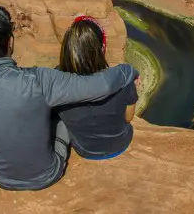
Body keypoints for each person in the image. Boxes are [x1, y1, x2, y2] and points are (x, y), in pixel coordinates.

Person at [0, 6, 139, 194]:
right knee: (56, 119)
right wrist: (128, 71)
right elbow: (100, 85)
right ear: (11, 42)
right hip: (47, 175)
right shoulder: (41, 80)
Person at [55, 16, 139, 160]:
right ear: (102, 49)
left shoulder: (55, 83)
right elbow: (129, 117)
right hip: (119, 144)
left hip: (84, 149)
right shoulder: (122, 80)